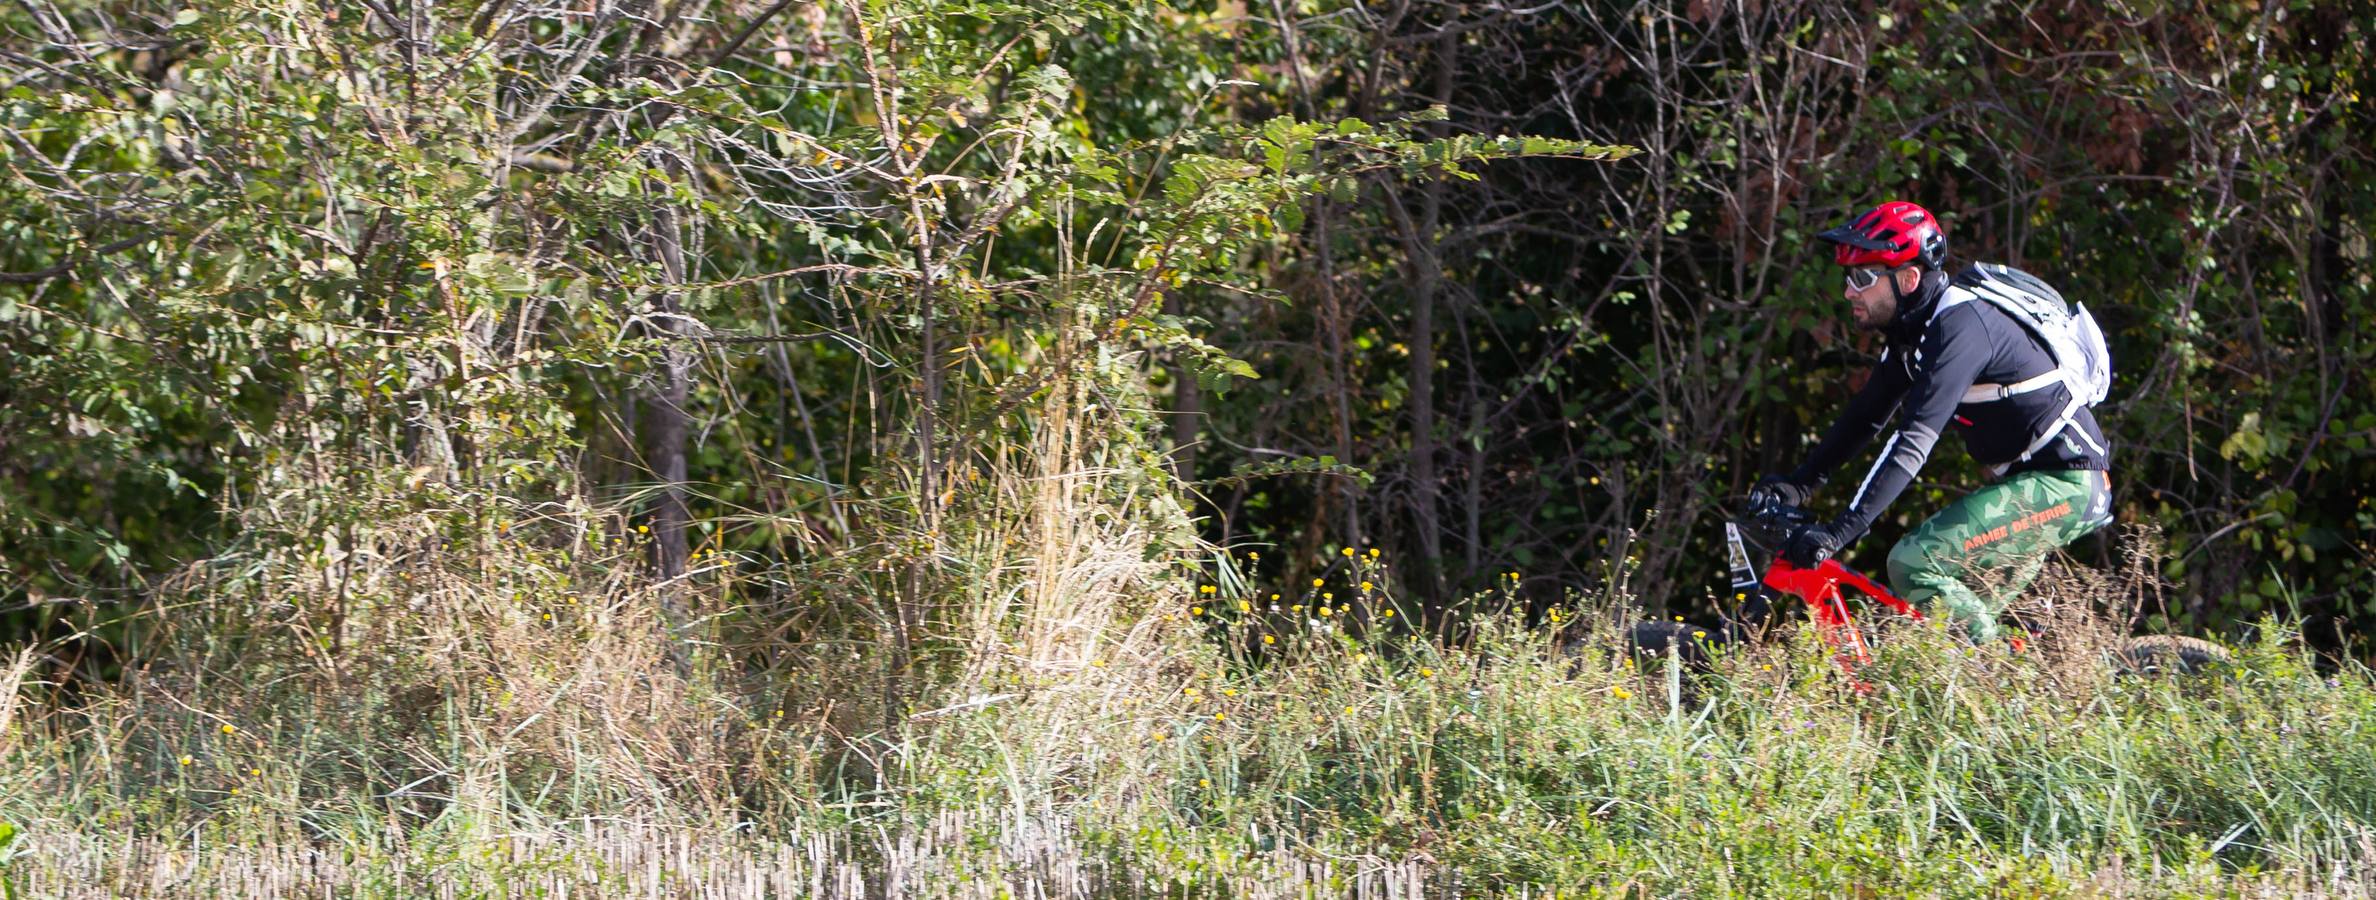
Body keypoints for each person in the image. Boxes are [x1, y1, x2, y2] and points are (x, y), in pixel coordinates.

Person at [1751, 201, 2113, 643]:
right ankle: (2010, 686)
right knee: (1936, 639)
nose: (1849, 291)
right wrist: (1800, 484)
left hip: (2065, 485)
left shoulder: (1960, 327)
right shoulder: (1914, 332)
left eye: (1863, 278)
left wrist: (1838, 532)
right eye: (1848, 277)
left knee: (1914, 562)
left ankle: (2000, 690)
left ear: (1908, 278)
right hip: (2030, 484)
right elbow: (1865, 419)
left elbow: (1912, 441)